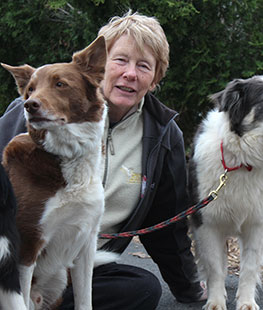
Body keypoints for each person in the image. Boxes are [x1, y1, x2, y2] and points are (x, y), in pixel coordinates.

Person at [0, 11, 207, 309]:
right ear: (100, 65)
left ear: (155, 77)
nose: (130, 73)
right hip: (18, 255)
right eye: (121, 60)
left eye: (144, 66)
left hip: (83, 261)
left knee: (143, 288)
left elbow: (168, 225)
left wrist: (188, 287)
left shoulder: (163, 134)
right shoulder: (38, 111)